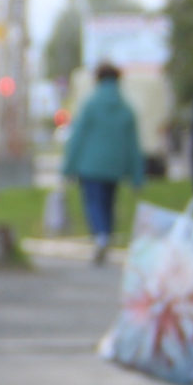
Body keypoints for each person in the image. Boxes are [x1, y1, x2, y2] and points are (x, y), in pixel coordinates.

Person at [61, 63, 144, 262]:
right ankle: (105, 234)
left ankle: (100, 236)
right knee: (108, 203)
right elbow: (134, 145)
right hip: (115, 166)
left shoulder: (90, 105)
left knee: (93, 203)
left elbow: (77, 138)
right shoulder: (126, 109)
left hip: (90, 165)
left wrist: (68, 167)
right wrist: (137, 176)